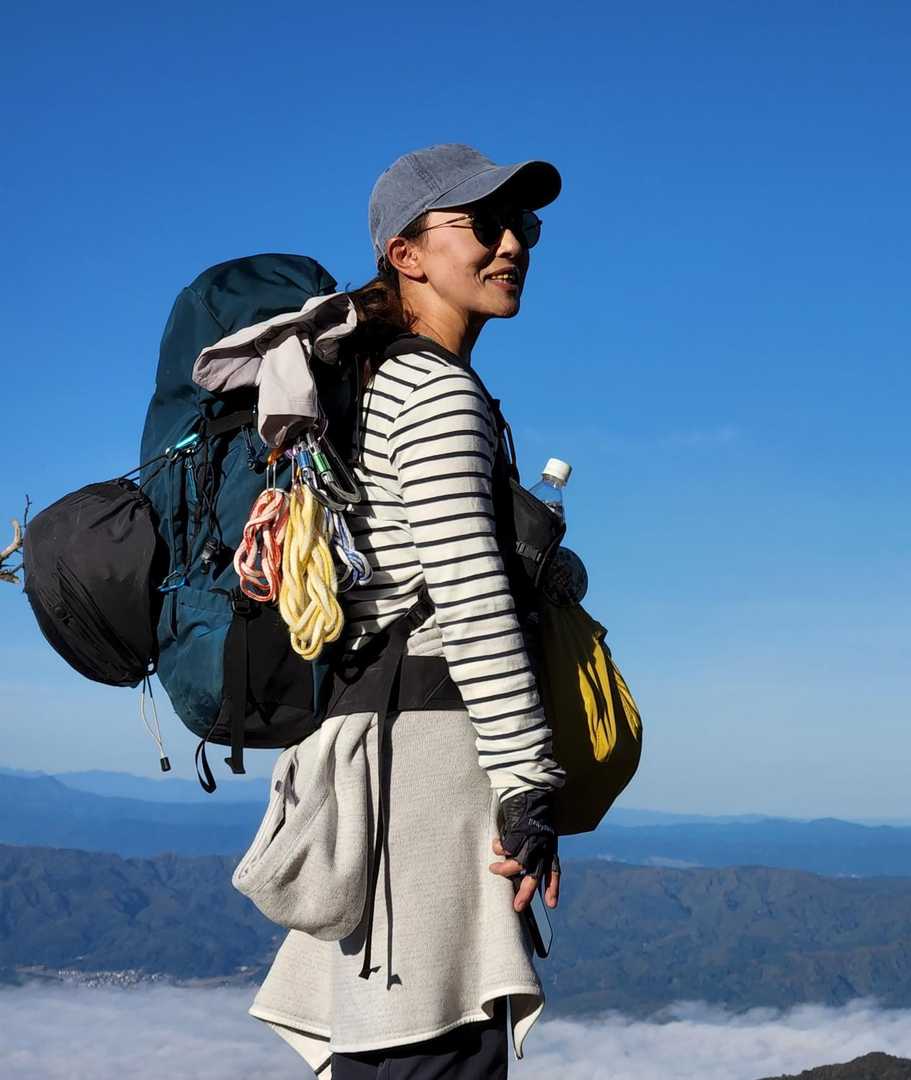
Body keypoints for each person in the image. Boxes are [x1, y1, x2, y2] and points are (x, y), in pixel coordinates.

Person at [246, 143, 567, 1080]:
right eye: (483, 225)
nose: (513, 245)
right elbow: (470, 600)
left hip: (369, 750)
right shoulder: (436, 392)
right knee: (437, 1045)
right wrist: (527, 785)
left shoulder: (367, 381)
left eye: (523, 225)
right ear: (406, 253)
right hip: (425, 771)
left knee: (391, 1048)